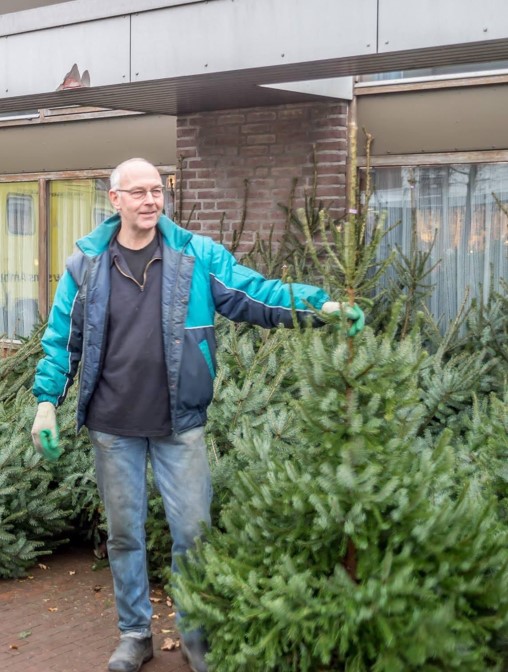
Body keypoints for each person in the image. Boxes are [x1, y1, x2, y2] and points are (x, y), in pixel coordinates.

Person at [31, 158, 365, 672]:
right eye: (138, 192)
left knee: (193, 534)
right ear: (114, 199)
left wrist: (318, 307)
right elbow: (61, 342)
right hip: (112, 426)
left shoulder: (195, 256)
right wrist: (46, 403)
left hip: (179, 423)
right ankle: (134, 634)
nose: (151, 200)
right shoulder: (86, 266)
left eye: (158, 190)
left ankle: (196, 633)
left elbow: (256, 294)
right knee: (125, 534)